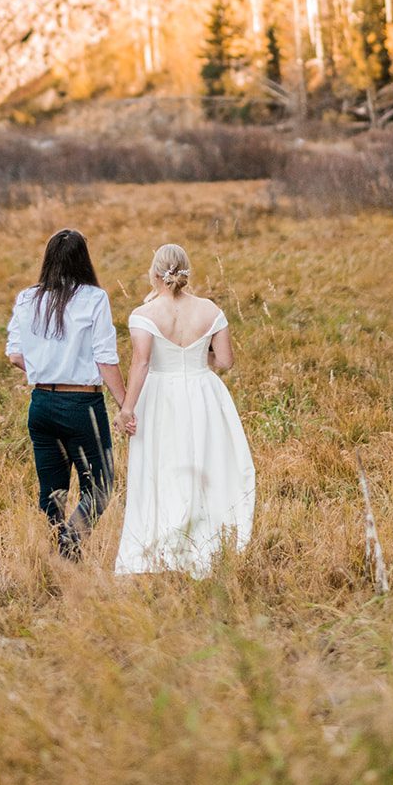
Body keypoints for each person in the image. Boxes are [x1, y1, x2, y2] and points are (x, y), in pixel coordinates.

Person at [114, 242, 255, 578]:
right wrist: (196, 358)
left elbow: (142, 363)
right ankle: (203, 538)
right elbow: (225, 361)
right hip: (203, 392)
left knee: (161, 466)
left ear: (154, 273)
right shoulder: (210, 309)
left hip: (161, 395)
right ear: (186, 271)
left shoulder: (143, 315)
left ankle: (160, 542)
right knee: (203, 462)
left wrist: (127, 409)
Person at [6, 228, 126, 559]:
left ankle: (59, 556)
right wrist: (127, 405)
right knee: (99, 488)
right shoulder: (93, 298)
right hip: (82, 405)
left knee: (52, 492)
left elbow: (15, 355)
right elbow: (105, 358)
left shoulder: (27, 298)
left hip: (41, 403)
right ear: (83, 260)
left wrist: (47, 370)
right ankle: (69, 548)